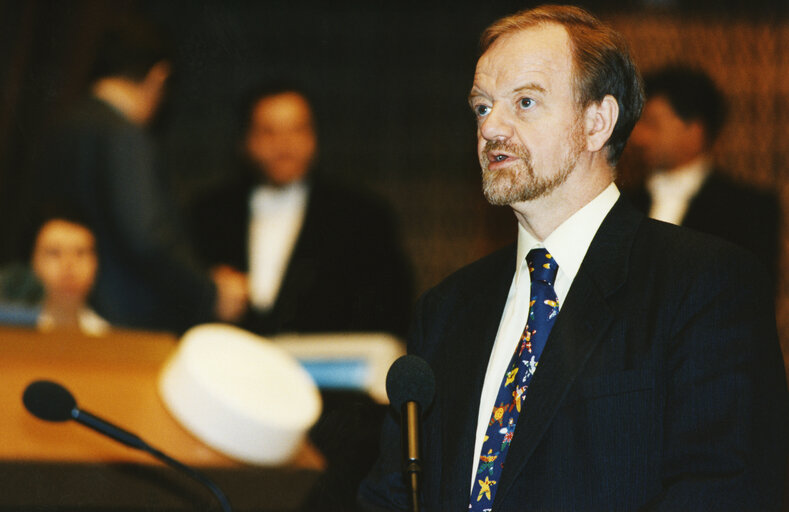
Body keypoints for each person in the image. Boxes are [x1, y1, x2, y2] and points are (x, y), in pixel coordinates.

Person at [359, 5, 788, 511]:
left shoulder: (704, 284)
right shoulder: (448, 308)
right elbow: (392, 495)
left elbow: (726, 492)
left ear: (597, 122)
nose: (492, 127)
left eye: (524, 102)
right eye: (481, 107)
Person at [37, 20, 246, 332]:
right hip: (129, 325)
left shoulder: (63, 127)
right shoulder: (126, 136)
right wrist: (209, 291)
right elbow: (147, 237)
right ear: (158, 75)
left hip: (60, 317)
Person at [190, 84, 413, 338]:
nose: (284, 146)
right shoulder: (208, 214)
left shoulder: (363, 217)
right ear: (245, 141)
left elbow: (390, 309)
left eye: (297, 130)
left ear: (314, 137)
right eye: (268, 132)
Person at [626, 65, 780, 281]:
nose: (638, 137)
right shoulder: (623, 203)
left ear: (694, 130)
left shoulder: (748, 209)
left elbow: (750, 294)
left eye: (652, 124)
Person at [30, 211, 109, 336]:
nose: (68, 266)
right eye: (54, 253)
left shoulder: (110, 338)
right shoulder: (12, 333)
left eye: (80, 253)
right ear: (33, 263)